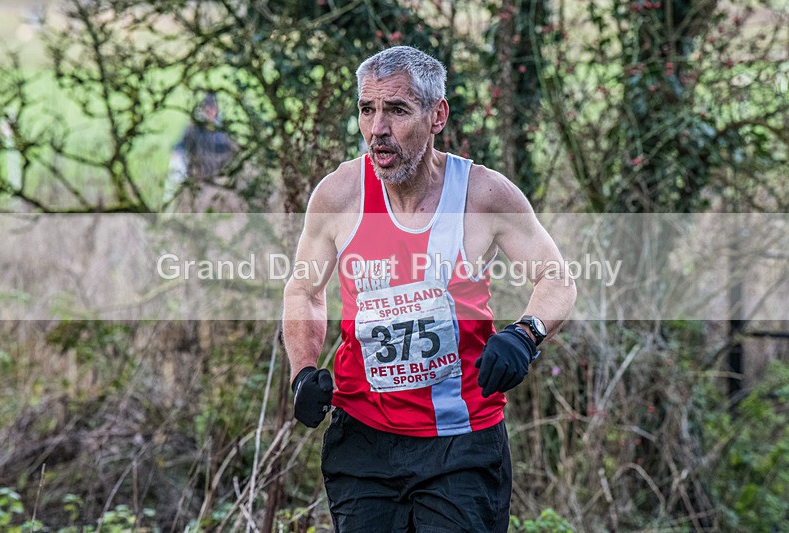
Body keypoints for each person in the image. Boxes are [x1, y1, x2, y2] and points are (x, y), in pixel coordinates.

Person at [282, 46, 576, 532]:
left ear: (437, 115)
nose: (378, 129)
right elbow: (305, 290)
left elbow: (556, 278)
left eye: (396, 110)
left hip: (460, 445)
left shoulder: (483, 194)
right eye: (367, 109)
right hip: (363, 442)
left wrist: (525, 334)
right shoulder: (339, 194)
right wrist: (302, 371)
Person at [163, 92, 241, 211]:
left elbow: (233, 152)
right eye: (208, 108)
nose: (211, 112)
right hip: (198, 177)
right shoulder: (195, 128)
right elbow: (181, 146)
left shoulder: (224, 131)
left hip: (218, 177)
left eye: (213, 108)